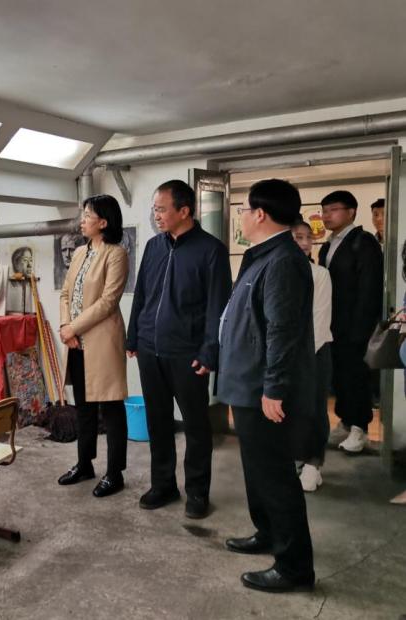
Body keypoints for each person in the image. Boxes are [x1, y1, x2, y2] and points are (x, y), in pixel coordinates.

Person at [218, 178, 315, 593]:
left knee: (275, 476)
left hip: (263, 389)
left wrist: (273, 388)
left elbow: (282, 331)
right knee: (256, 469)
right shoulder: (261, 257)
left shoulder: (283, 262)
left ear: (260, 214)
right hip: (246, 383)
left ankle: (295, 567)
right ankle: (268, 533)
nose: (241, 215)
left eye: (243, 208)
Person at [126, 179, 231, 519]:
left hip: (188, 354)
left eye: (161, 209)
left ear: (184, 211)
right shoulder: (154, 247)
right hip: (150, 349)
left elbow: (218, 307)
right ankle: (163, 485)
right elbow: (142, 295)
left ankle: (197, 492)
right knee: (157, 422)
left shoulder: (211, 250)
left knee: (196, 426)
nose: (156, 215)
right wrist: (133, 336)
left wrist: (210, 351)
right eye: (154, 209)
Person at [57, 194, 129, 498]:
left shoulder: (116, 254)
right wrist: (66, 327)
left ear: (104, 222)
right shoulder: (79, 253)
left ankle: (115, 473)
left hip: (102, 341)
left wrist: (73, 327)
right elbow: (65, 294)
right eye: (83, 214)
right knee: (83, 407)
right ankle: (84, 463)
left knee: (111, 408)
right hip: (75, 342)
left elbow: (108, 301)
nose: (82, 220)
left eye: (88, 215)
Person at [318, 190, 383, 453]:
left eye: (333, 210)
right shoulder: (327, 245)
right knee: (339, 375)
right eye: (324, 211)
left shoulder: (362, 242)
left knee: (356, 376)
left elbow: (369, 288)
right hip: (331, 324)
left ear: (351, 212)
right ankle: (346, 421)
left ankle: (360, 428)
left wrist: (361, 328)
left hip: (355, 325)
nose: (326, 216)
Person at [291, 219, 333, 492]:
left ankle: (313, 462)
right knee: (290, 410)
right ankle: (298, 459)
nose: (306, 243)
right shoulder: (277, 271)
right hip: (285, 354)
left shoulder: (320, 274)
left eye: (308, 237)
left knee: (314, 409)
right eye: (298, 237)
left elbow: (320, 320)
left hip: (314, 351)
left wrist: (299, 355)